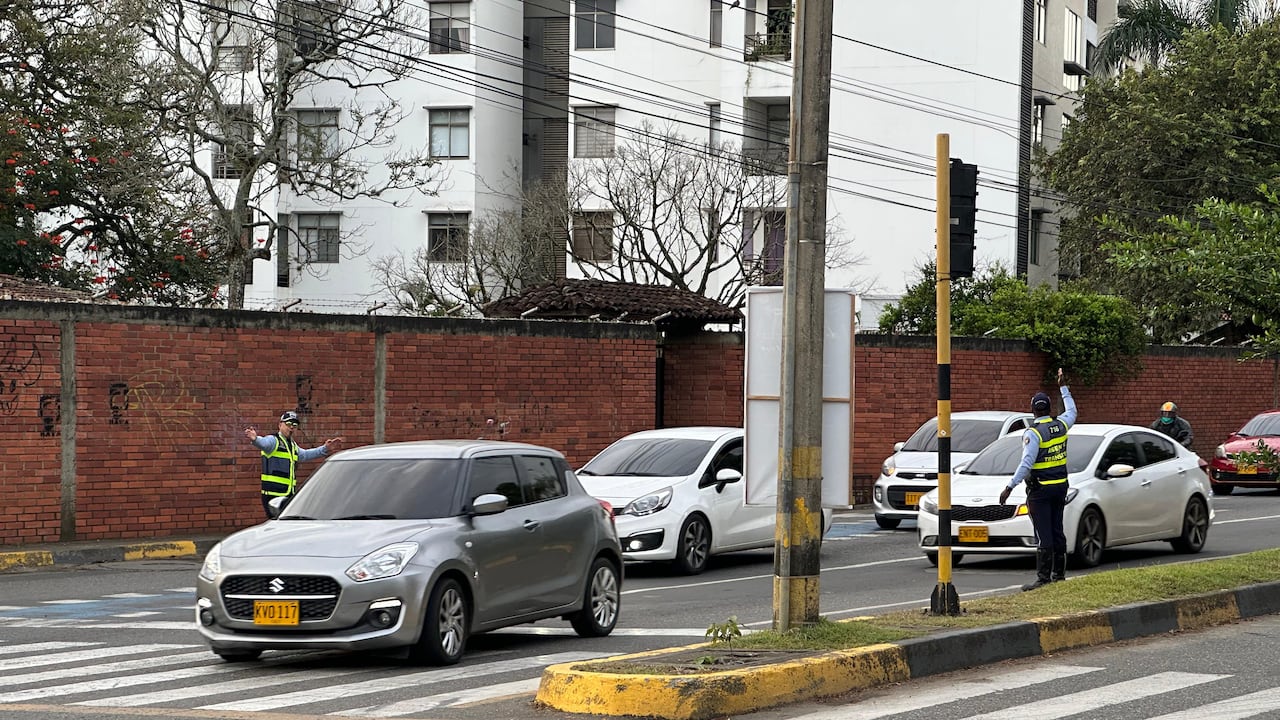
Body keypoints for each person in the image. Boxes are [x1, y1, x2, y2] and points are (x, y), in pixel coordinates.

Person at [998, 368, 1078, 591]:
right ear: (1049, 408)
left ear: (1033, 409)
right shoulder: (1061, 425)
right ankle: (1058, 575)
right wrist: (1063, 387)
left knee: (1044, 534)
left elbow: (1026, 464)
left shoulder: (1033, 433)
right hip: (1060, 487)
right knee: (1057, 529)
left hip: (1040, 490)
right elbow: (1072, 411)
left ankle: (1043, 579)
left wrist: (1009, 487)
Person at [244, 411, 343, 517]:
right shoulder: (274, 441)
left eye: (294, 425)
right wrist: (255, 439)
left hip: (287, 494)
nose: (291, 427)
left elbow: (304, 455)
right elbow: (264, 443)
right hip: (273, 496)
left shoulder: (292, 445)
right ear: (280, 424)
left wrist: (324, 449)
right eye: (288, 424)